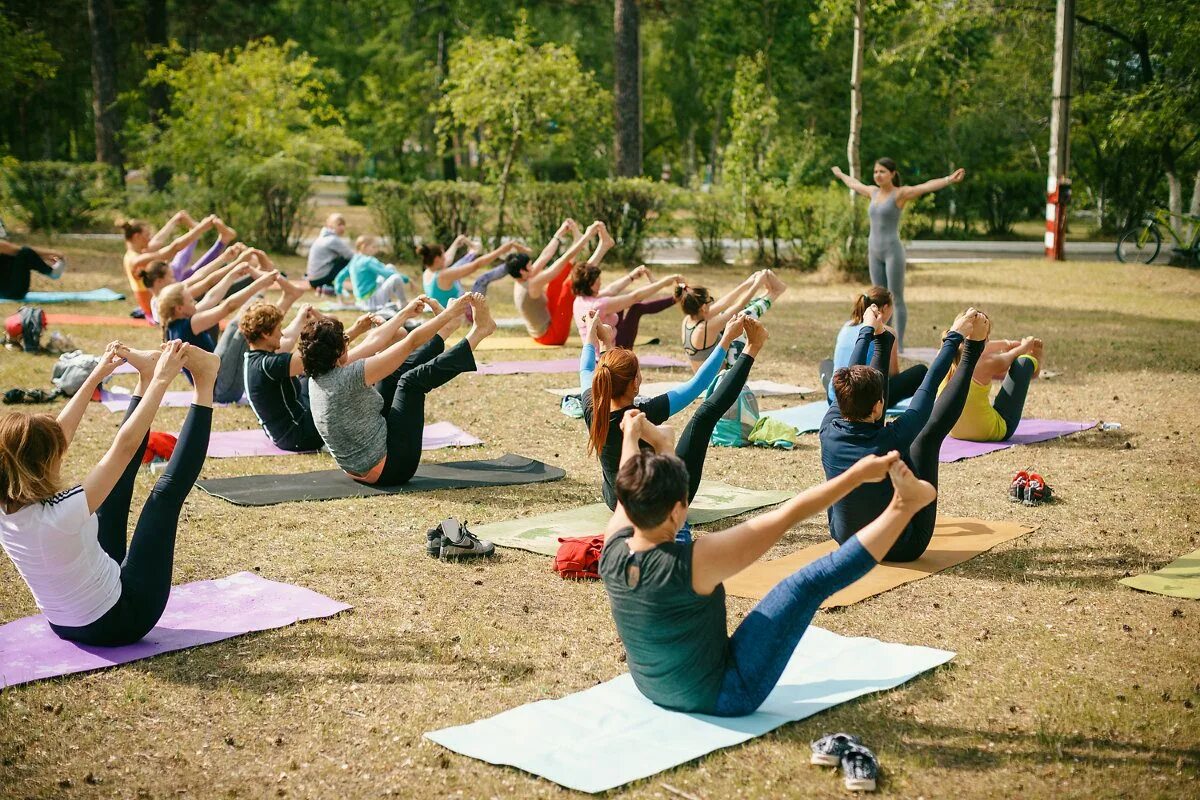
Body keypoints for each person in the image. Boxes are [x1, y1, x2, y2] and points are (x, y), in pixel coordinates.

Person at [599, 408, 936, 715]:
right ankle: (904, 505)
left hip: (652, 687)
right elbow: (789, 514)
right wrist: (857, 475)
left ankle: (665, 449)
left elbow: (630, 490)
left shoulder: (613, 547)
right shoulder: (695, 562)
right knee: (805, 585)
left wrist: (633, 435)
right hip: (725, 694)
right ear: (678, 509)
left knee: (673, 532)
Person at [0, 339, 217, 646]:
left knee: (114, 491)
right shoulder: (60, 515)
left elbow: (60, 434)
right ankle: (206, 381)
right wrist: (162, 380)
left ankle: (143, 374)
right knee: (163, 498)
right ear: (40, 464)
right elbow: (124, 446)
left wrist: (98, 375)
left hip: (63, 624)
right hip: (121, 620)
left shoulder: (8, 502)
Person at [820, 305, 987, 562]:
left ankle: (882, 341)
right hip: (903, 547)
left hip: (847, 540)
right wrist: (955, 338)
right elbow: (928, 387)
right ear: (879, 406)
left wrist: (869, 331)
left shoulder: (828, 428)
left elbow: (850, 377)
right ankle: (973, 351)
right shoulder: (890, 441)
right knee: (926, 440)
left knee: (908, 436)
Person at [300, 292, 497, 487]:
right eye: (344, 339)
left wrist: (404, 313)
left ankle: (446, 330)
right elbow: (409, 342)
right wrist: (449, 313)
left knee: (391, 377)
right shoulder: (348, 376)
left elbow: (372, 342)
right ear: (336, 351)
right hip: (391, 469)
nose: (348, 342)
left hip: (359, 468)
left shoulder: (319, 373)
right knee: (410, 382)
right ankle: (479, 332)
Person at [581, 309, 766, 511]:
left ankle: (752, 347)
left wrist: (597, 336)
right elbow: (699, 383)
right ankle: (753, 348)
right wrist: (727, 338)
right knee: (704, 417)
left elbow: (588, 370)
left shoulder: (593, 408)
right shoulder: (642, 415)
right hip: (657, 507)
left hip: (617, 504)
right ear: (635, 384)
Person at [831, 159, 967, 350]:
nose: (878, 175)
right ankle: (879, 340)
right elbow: (854, 184)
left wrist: (949, 179)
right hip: (874, 251)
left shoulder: (900, 194)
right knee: (877, 298)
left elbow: (925, 187)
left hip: (892, 251)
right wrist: (840, 174)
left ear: (892, 174)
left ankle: (898, 345)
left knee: (895, 297)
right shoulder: (873, 192)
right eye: (876, 171)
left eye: (882, 171)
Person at [241, 302, 380, 452]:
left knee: (324, 366)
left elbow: (322, 348)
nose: (281, 334)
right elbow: (321, 352)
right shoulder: (266, 365)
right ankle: (378, 346)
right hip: (298, 436)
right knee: (332, 368)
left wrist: (352, 330)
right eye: (279, 329)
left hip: (292, 424)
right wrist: (355, 329)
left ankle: (377, 344)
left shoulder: (255, 358)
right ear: (265, 334)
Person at [157, 254, 286, 400]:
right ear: (179, 308)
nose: (194, 301)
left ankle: (279, 295)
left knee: (235, 324)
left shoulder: (174, 324)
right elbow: (228, 306)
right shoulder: (189, 325)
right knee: (246, 322)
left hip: (215, 383)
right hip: (221, 391)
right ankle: (277, 296)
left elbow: (211, 297)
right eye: (190, 300)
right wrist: (260, 284)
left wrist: (232, 275)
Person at [506, 218, 602, 345]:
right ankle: (603, 248)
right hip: (551, 336)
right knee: (570, 285)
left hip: (545, 323)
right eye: (530, 265)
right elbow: (563, 260)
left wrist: (559, 233)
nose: (533, 267)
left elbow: (545, 255)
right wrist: (587, 236)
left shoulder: (521, 277)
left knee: (555, 281)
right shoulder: (531, 284)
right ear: (522, 271)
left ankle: (578, 241)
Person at [827, 286, 927, 406]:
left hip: (835, 399)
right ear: (885, 308)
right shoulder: (888, 332)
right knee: (921, 371)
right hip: (865, 403)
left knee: (828, 365)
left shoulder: (846, 326)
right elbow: (892, 375)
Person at [938, 332, 1044, 442]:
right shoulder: (985, 363)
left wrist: (1007, 343)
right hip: (988, 432)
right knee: (1023, 363)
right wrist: (1026, 346)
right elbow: (1011, 356)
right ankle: (1035, 364)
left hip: (953, 430)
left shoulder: (944, 355)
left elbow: (974, 348)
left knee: (982, 376)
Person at [677, 270, 786, 372]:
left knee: (729, 314)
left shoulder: (688, 320)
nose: (712, 303)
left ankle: (771, 293)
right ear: (703, 308)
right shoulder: (705, 328)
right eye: (710, 300)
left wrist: (748, 282)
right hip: (721, 381)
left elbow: (724, 303)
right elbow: (739, 306)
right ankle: (774, 293)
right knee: (741, 317)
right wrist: (757, 284)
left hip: (706, 380)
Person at [120, 214, 219, 319]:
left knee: (195, 276)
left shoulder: (136, 253)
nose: (150, 238)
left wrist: (174, 220)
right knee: (198, 281)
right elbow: (173, 249)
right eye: (147, 235)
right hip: (156, 307)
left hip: (159, 301)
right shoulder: (136, 260)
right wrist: (200, 229)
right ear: (137, 237)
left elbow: (158, 240)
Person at [572, 257, 682, 349]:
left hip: (601, 349)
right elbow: (634, 297)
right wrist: (663, 283)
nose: (600, 282)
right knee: (636, 308)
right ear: (590, 284)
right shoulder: (598, 305)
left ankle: (671, 296)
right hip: (611, 353)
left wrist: (631, 277)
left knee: (622, 303)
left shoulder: (579, 301)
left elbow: (612, 290)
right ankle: (676, 298)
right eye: (598, 280)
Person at [421, 235, 522, 310]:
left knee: (455, 267)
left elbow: (448, 259)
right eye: (443, 256)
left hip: (449, 311)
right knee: (482, 279)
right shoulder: (444, 275)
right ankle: (512, 264)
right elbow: (476, 265)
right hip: (465, 313)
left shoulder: (427, 273)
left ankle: (472, 252)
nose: (445, 257)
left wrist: (457, 242)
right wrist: (501, 250)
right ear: (437, 259)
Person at [332, 235, 411, 311]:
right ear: (364, 247)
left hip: (361, 302)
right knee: (396, 277)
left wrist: (340, 299)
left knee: (389, 267)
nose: (376, 249)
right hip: (372, 302)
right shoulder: (368, 261)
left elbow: (339, 278)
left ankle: (390, 301)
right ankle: (404, 304)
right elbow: (386, 273)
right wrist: (407, 279)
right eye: (374, 247)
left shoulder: (353, 261)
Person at [0, 240, 67, 300]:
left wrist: (49, 256)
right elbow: (18, 250)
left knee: (9, 256)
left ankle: (51, 272)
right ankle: (51, 273)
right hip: (12, 293)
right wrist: (54, 253)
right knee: (25, 252)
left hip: (6, 292)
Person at [305, 213, 355, 292]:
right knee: (352, 261)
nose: (342, 227)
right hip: (320, 278)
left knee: (343, 259)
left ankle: (328, 285)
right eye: (339, 224)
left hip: (313, 279)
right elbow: (352, 256)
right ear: (330, 225)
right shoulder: (332, 239)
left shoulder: (322, 237)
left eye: (343, 224)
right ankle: (361, 283)